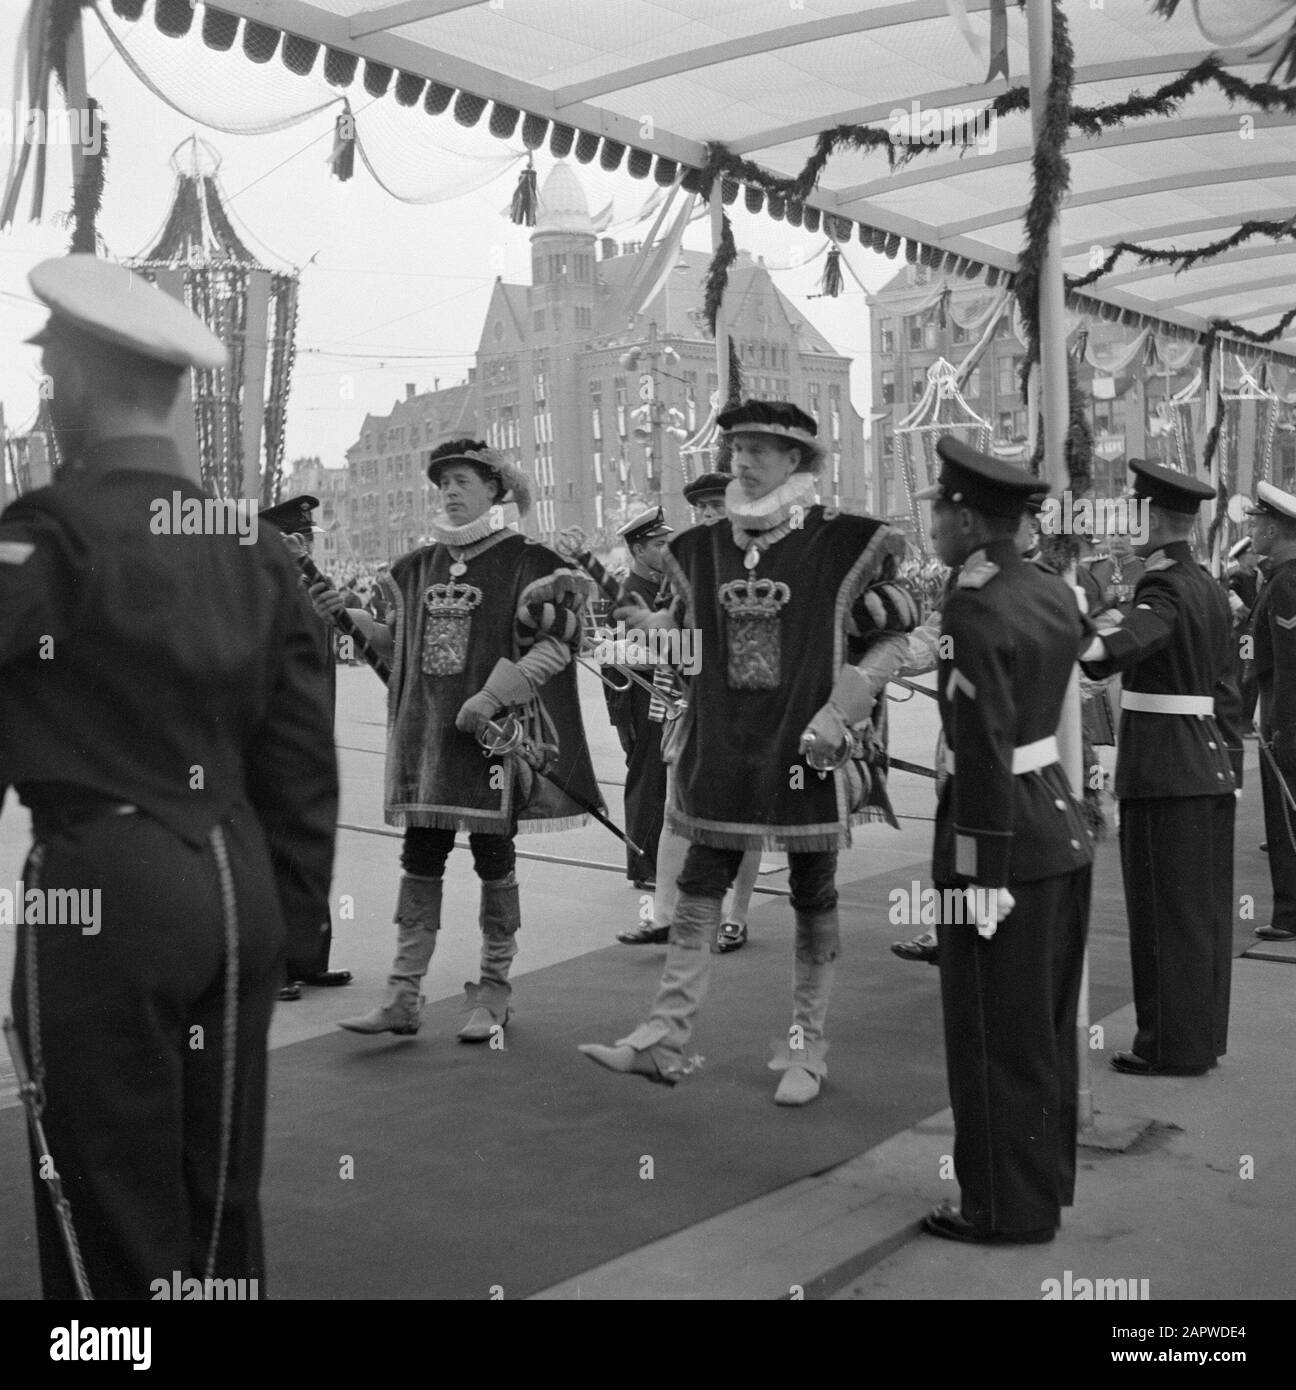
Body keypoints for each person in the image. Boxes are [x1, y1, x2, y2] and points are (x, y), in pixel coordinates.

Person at [1, 254, 338, 1299]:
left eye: (54, 378)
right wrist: (294, 928)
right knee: (217, 1188)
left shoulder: (45, 535)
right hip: (235, 889)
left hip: (101, 882)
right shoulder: (253, 546)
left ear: (78, 388)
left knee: (105, 1200)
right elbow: (300, 764)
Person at [580, 399, 917, 1105]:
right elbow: (696, 633)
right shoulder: (699, 550)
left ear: (796, 461)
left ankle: (806, 1048)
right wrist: (651, 632)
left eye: (762, 449)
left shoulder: (843, 543)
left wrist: (843, 707)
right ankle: (664, 1040)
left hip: (808, 754)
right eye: (736, 447)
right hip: (723, 752)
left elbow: (900, 637)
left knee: (810, 893)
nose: (743, 460)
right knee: (700, 887)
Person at [323, 439, 602, 1042]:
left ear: (495, 490)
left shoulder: (530, 561)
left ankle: (495, 991)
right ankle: (403, 995)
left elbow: (558, 645)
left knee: (492, 861)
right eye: (443, 482)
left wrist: (494, 695)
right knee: (419, 862)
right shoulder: (415, 566)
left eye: (463, 481)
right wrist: (344, 613)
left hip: (491, 746)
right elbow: (395, 649)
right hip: (426, 744)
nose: (449, 491)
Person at [913, 438, 1093, 1245]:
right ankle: (1042, 1180)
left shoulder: (974, 603)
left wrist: (976, 876)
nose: (933, 524)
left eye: (938, 510)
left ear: (965, 516)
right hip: (1056, 820)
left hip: (1001, 840)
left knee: (991, 1031)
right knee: (1045, 1030)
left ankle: (1000, 1207)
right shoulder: (1049, 589)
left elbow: (981, 747)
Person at [1081, 458, 1241, 1076]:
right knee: (1198, 915)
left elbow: (1116, 645)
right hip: (1202, 761)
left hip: (1164, 768)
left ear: (1150, 516)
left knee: (1162, 913)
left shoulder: (1165, 586)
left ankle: (1168, 1046)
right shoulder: (1203, 582)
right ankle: (1197, 1039)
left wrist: (1070, 628)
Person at [618, 472, 764, 953]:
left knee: (743, 819)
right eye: (700, 510)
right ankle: (663, 916)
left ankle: (735, 917)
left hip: (747, 710)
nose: (705, 518)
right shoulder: (688, 568)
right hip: (689, 707)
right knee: (675, 811)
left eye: (715, 508)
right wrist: (649, 635)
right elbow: (670, 633)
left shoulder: (764, 564)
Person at [258, 493, 353, 1001]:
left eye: (307, 537)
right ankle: (274, 969)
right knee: (273, 853)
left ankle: (310, 959)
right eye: (292, 537)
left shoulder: (316, 588)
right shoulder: (256, 589)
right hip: (271, 744)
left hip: (312, 737)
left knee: (308, 852)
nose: (303, 543)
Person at [604, 507, 674, 889]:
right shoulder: (627, 594)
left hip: (675, 696)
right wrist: (621, 721)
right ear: (639, 549)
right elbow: (612, 663)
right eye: (660, 544)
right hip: (643, 701)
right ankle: (645, 867)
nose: (667, 550)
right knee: (648, 783)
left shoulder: (670, 588)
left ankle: (674, 861)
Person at [1244, 482, 1296, 942]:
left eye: (1258, 521)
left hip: (1285, 720)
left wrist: (1282, 730)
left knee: (1286, 822)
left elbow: (1289, 665)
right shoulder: (1279, 579)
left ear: (1275, 528)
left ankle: (1291, 914)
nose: (1253, 528)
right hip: (1279, 716)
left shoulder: (1287, 584)